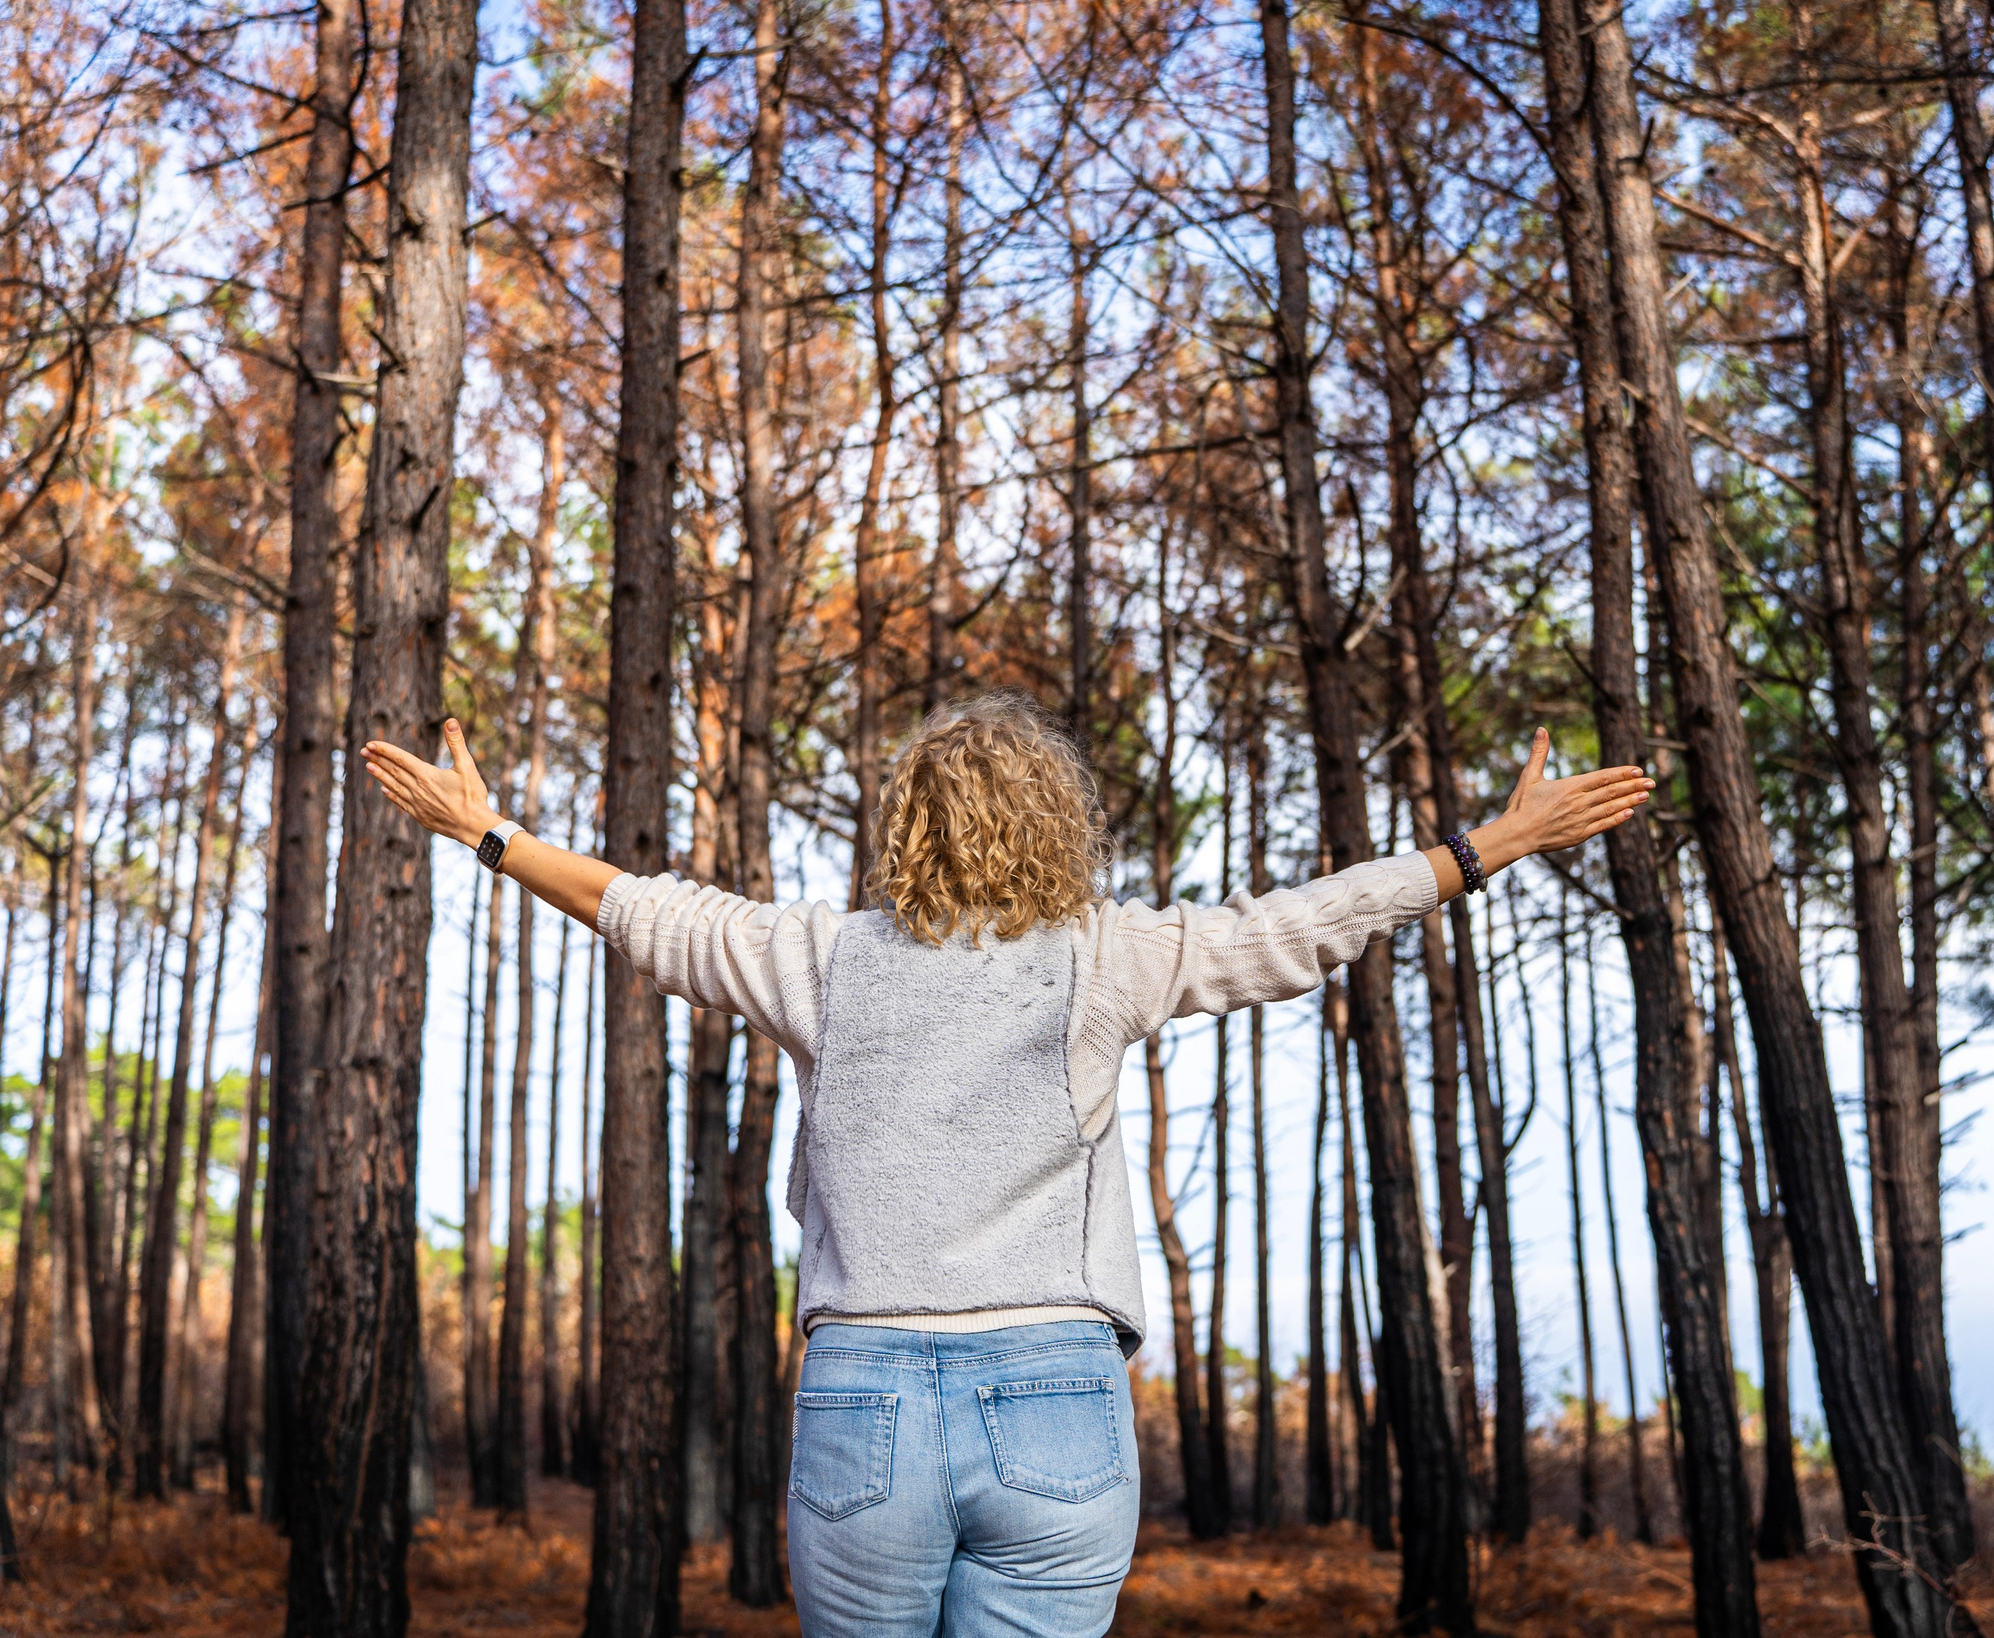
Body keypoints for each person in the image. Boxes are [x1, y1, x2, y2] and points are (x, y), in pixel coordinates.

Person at [361, 689, 1651, 1637]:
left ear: (905, 826)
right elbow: (1299, 926)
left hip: (862, 1395)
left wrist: (489, 833)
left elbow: (643, 909)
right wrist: (1488, 846)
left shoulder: (820, 959)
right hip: (1055, 1397)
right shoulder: (1109, 954)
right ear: (1057, 824)